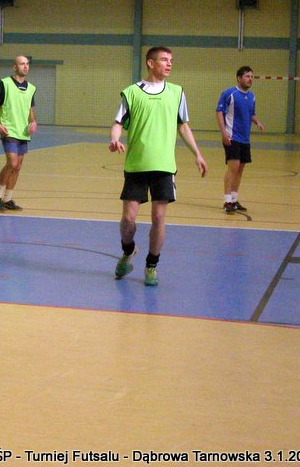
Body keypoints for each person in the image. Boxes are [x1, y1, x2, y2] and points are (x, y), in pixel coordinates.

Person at [109, 46, 207, 287]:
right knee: (128, 219)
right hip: (136, 165)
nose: (169, 64)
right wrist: (114, 139)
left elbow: (183, 126)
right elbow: (118, 122)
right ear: (150, 63)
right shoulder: (132, 92)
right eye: (164, 60)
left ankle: (151, 266)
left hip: (164, 166)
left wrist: (197, 153)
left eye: (171, 60)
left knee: (158, 217)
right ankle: (128, 251)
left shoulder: (177, 92)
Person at [0, 55, 37, 212]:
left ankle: (8, 199)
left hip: (23, 132)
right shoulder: (5, 83)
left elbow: (30, 109)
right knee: (12, 163)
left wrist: (33, 121)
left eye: (27, 64)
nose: (25, 66)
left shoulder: (31, 88)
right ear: (15, 67)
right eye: (22, 64)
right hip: (9, 130)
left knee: (18, 167)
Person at [215, 66, 265, 213]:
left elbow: (251, 113)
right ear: (239, 78)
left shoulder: (252, 97)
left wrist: (257, 122)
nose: (250, 79)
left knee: (240, 169)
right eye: (247, 76)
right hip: (232, 137)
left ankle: (234, 199)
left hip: (245, 139)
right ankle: (227, 201)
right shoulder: (230, 93)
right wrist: (224, 132)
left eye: (252, 76)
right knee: (233, 168)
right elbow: (219, 112)